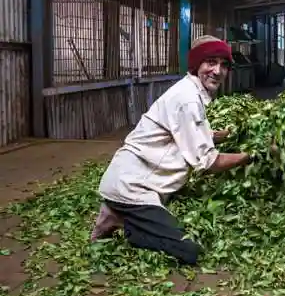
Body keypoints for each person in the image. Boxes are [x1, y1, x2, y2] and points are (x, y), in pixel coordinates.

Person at [90, 35, 252, 265]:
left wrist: (229, 134)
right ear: (197, 66)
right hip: (132, 187)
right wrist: (251, 155)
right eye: (211, 63)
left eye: (224, 65)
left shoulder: (190, 92)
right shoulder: (187, 100)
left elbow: (193, 136)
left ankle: (117, 212)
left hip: (136, 181)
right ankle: (125, 223)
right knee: (189, 251)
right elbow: (207, 163)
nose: (217, 71)